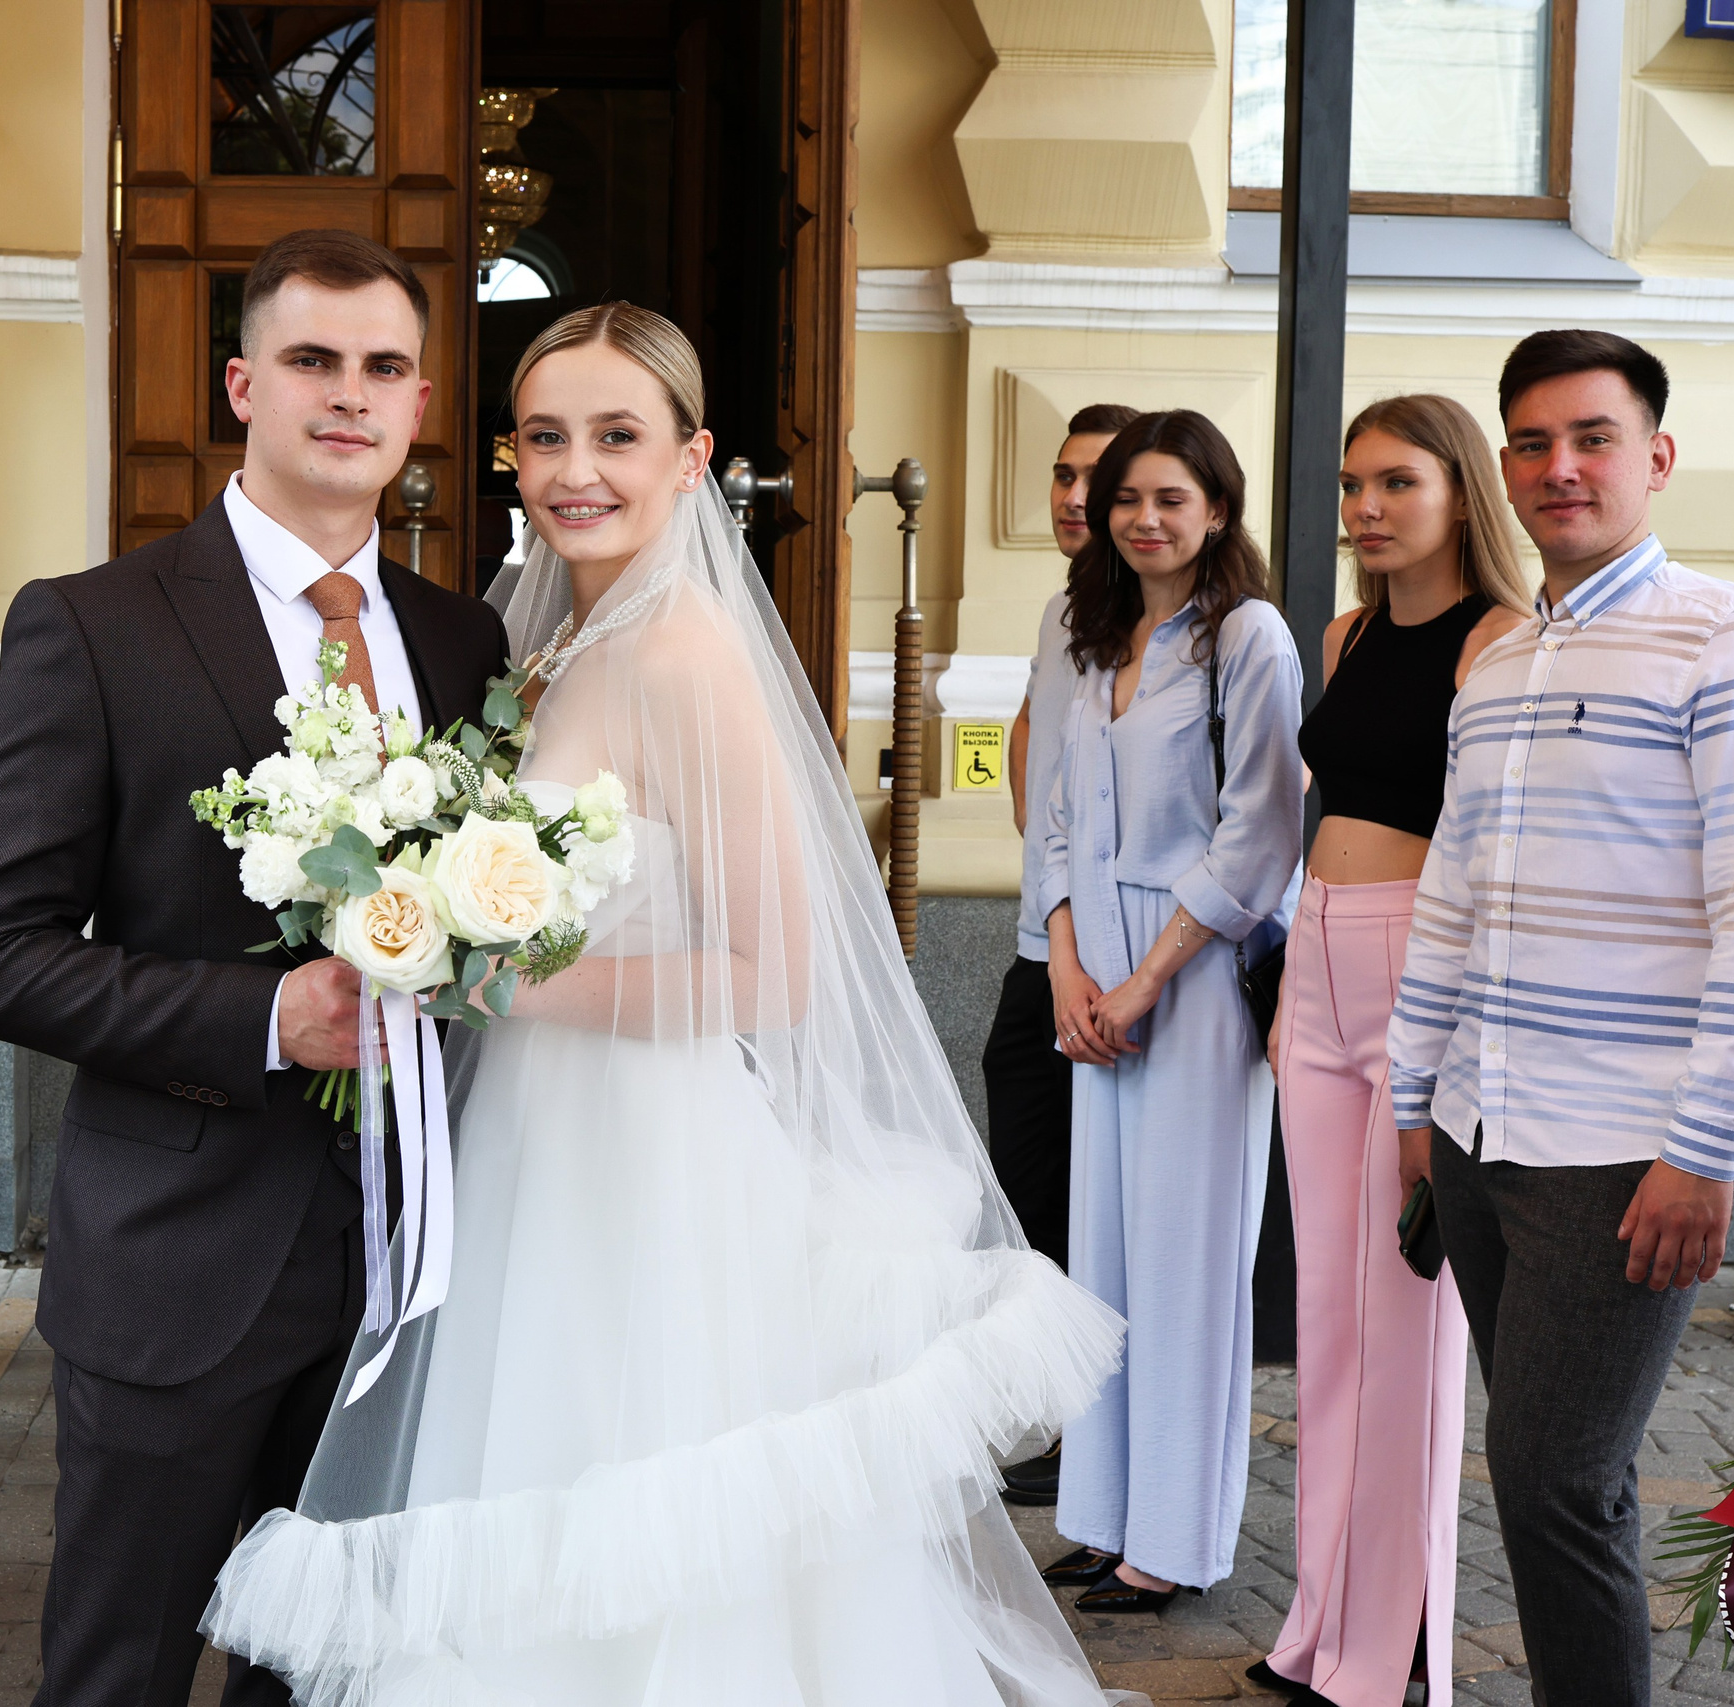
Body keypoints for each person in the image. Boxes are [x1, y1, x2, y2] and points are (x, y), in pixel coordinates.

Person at [201, 304, 1127, 1704]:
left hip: (646, 1161)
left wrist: (501, 977)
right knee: (532, 1480)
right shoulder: (559, 643)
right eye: (547, 435)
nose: (577, 468)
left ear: (692, 459)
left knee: (648, 1517)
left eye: (618, 437)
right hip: (531, 1142)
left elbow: (774, 967)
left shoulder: (686, 650)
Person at [0, 228, 512, 1707]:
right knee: (122, 1665)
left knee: (327, 1673)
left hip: (401, 1274)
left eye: (384, 366)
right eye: (315, 360)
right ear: (242, 382)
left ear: (424, 400)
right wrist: (266, 1013)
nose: (350, 394)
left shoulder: (463, 640)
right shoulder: (95, 620)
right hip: (179, 1264)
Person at [1387, 331, 1734, 1707]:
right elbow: (1450, 895)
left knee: (1557, 1481)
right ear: (1503, 462)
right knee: (1553, 1477)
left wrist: (1707, 1147)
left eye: (1593, 437)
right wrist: (1411, 1105)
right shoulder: (1499, 660)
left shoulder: (1732, 637)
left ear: (1657, 456)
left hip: (1626, 1157)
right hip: (1479, 1132)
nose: (1558, 467)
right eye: (1530, 441)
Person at [1254, 396, 1530, 1707]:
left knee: (1408, 1316)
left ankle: (1393, 1647)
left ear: (1459, 492)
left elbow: (1489, 866)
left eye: (1395, 483)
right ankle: (1317, 1619)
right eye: (1353, 482)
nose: (1364, 507)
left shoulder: (1501, 642)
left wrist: (1436, 1076)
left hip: (1423, 971)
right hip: (1316, 960)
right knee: (1328, 1311)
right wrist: (1291, 990)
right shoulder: (1347, 628)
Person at [1038, 408, 1304, 1610]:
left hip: (1197, 968)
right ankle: (1099, 1511)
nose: (1145, 518)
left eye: (1170, 500)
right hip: (1090, 957)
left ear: (1215, 512)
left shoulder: (1247, 637)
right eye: (1127, 498)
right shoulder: (1076, 627)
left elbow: (1261, 830)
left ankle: (1177, 1541)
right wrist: (1068, 966)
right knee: (1101, 1252)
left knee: (1188, 1258)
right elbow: (1051, 812)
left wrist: (1147, 975)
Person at [985, 401, 1137, 1508]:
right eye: (1062, 474)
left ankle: (1102, 1432)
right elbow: (1035, 725)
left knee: (1101, 1196)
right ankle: (1054, 1411)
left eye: (1101, 478)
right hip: (1039, 942)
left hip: (1114, 961)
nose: (1073, 497)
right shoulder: (1058, 607)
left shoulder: (1170, 618)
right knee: (1028, 1175)